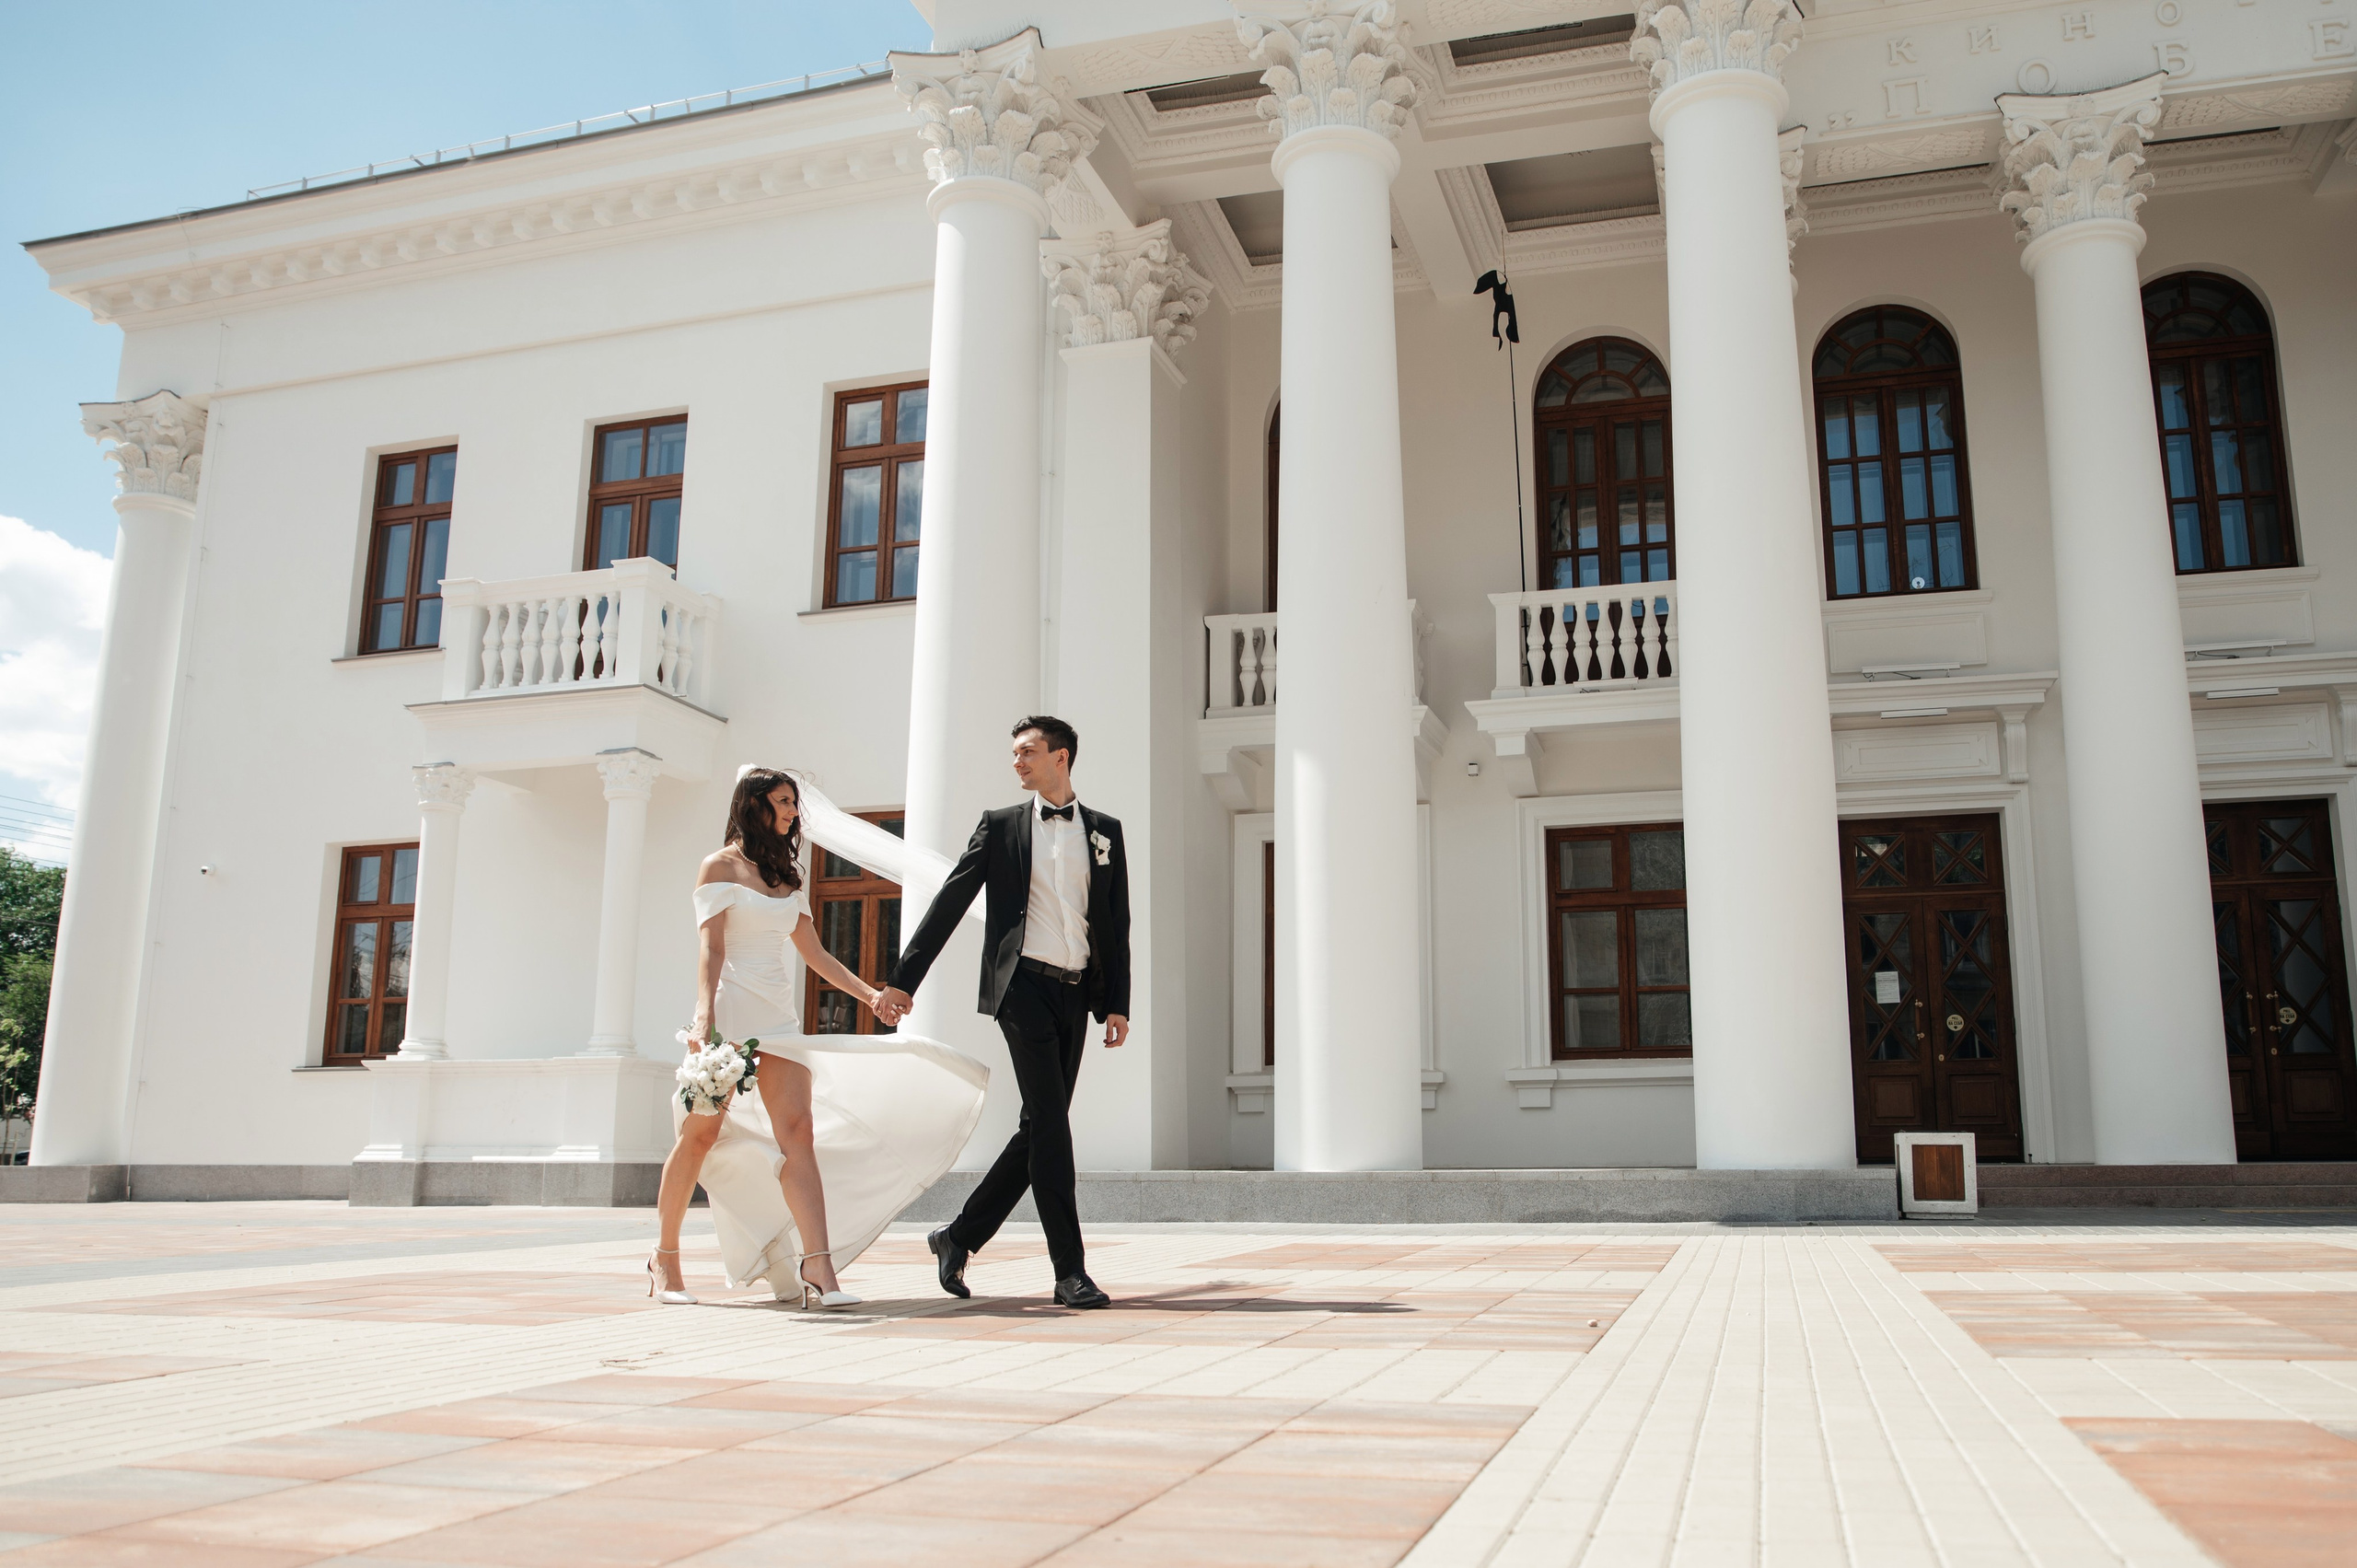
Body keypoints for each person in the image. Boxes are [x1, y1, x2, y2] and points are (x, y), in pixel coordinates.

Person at [649, 766, 988, 1307]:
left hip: (779, 1024)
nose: (793, 811)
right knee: (699, 1137)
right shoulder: (719, 866)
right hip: (729, 1019)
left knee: (799, 1134)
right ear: (754, 805)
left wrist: (871, 996)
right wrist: (703, 1016)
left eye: (794, 802)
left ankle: (820, 1268)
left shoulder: (787, 876)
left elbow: (816, 955)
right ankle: (665, 1260)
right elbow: (711, 948)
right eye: (783, 801)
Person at [875, 715, 1130, 1310]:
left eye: (1028, 751)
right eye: (1015, 753)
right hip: (1022, 990)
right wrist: (904, 981)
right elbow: (950, 900)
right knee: (1052, 1126)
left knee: (1040, 1127)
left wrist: (1117, 1002)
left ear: (1061, 757)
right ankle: (1070, 1272)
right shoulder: (1001, 826)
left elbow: (1115, 922)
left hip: (1076, 992)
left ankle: (959, 1235)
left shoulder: (1105, 832)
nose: (1017, 761)